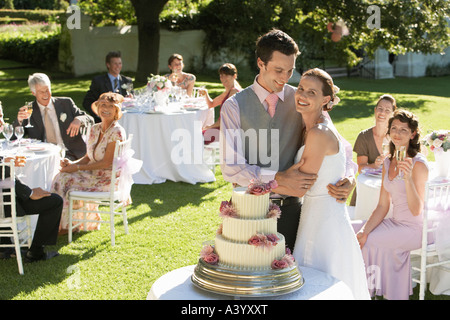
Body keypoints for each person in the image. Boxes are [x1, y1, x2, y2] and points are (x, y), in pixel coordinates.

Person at [219, 29, 356, 250]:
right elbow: (231, 168)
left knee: (291, 279)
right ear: (261, 63)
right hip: (248, 209)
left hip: (293, 211)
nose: (285, 78)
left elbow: (339, 143)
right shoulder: (234, 106)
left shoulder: (302, 98)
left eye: (290, 70)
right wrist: (277, 178)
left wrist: (350, 176)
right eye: (279, 70)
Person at [291, 68, 370, 300]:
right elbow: (345, 157)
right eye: (301, 88)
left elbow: (300, 185)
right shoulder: (311, 125)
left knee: (321, 284)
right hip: (314, 215)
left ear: (326, 99)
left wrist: (258, 183)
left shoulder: (318, 132)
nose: (302, 96)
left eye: (311, 92)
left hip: (324, 221)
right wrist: (350, 175)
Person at [352, 109, 429, 300]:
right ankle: (355, 286)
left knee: (369, 241)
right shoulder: (387, 162)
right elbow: (382, 206)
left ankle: (365, 293)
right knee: (352, 231)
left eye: (404, 129)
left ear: (413, 134)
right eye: (394, 128)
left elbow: (417, 210)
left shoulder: (419, 164)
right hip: (394, 222)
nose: (397, 133)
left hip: (414, 229)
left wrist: (409, 179)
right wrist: (365, 230)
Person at [51, 92, 127, 234]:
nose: (106, 109)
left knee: (64, 179)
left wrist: (77, 168)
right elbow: (88, 156)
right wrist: (71, 164)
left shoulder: (117, 132)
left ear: (116, 110)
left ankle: (66, 226)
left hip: (106, 180)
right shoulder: (94, 129)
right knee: (61, 176)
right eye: (103, 105)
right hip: (93, 174)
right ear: (97, 108)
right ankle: (66, 224)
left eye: (111, 106)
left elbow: (106, 163)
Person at [14, 73, 94, 161]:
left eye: (47, 90)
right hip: (43, 156)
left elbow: (90, 119)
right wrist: (19, 121)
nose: (46, 95)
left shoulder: (66, 103)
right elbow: (14, 137)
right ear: (33, 93)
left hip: (71, 153)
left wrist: (79, 119)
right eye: (41, 92)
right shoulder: (29, 110)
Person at [0, 156, 62, 262]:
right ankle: (35, 253)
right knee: (55, 202)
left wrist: (4, 160)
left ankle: (5, 248)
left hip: (6, 200)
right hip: (4, 205)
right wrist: (30, 193)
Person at [350, 94, 397, 206]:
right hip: (367, 187)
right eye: (380, 109)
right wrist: (375, 165)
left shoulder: (396, 136)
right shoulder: (364, 136)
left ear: (392, 114)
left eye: (387, 110)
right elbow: (360, 169)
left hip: (390, 188)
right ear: (375, 110)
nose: (382, 113)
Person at [83, 51, 134, 123]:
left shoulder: (127, 81)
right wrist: (98, 115)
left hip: (126, 120)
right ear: (108, 65)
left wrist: (131, 98)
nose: (118, 66)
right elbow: (87, 102)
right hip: (105, 121)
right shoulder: (99, 81)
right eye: (115, 64)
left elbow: (133, 100)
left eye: (120, 63)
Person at [202, 63, 242, 145]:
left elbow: (226, 119)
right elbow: (211, 104)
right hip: (224, 128)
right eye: (221, 75)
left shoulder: (234, 92)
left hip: (227, 132)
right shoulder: (229, 91)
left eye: (226, 75)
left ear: (234, 76)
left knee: (198, 136)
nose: (223, 78)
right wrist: (206, 93)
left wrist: (209, 127)